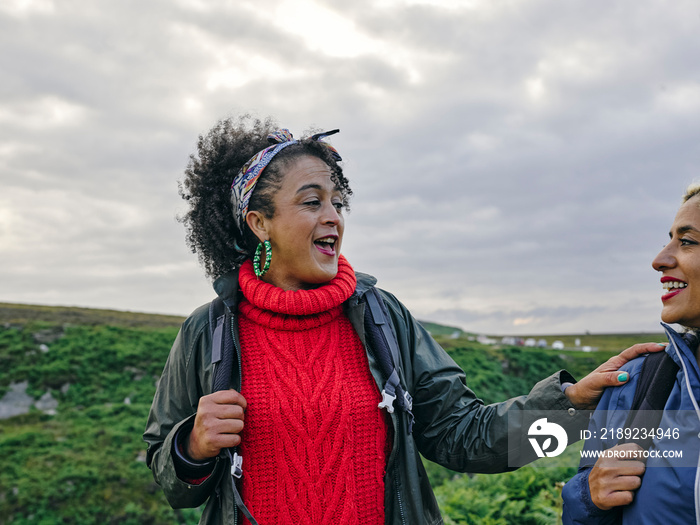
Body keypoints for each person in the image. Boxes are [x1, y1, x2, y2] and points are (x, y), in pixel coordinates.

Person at [143, 115, 663, 525]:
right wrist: (192, 446)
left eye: (338, 201)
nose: (333, 216)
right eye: (311, 202)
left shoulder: (383, 318)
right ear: (260, 223)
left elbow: (466, 436)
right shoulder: (207, 333)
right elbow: (171, 484)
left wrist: (569, 407)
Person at [562, 183, 700, 524]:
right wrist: (588, 496)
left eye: (687, 241)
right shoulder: (636, 381)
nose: (659, 260)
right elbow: (460, 435)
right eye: (668, 239)